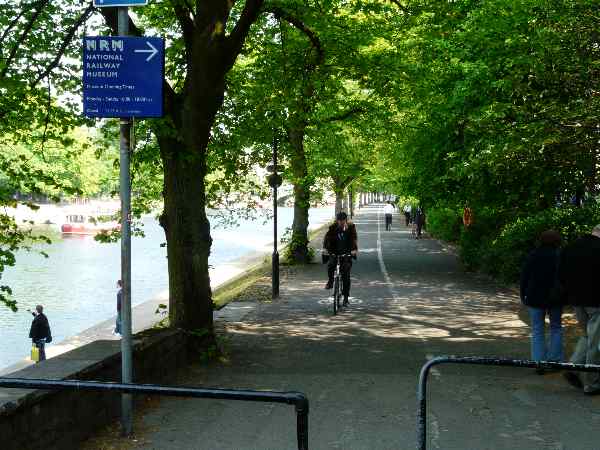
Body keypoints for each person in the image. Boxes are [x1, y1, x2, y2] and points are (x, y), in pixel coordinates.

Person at [559, 225, 600, 395]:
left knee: (587, 335)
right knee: (596, 343)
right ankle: (592, 383)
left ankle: (573, 367)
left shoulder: (570, 248)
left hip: (576, 300)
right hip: (597, 302)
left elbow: (561, 274)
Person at [520, 230, 563, 372]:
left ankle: (539, 362)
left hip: (534, 297)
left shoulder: (533, 255)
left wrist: (523, 294)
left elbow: (524, 276)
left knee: (537, 329)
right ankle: (555, 361)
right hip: (555, 298)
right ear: (557, 241)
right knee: (556, 327)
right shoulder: (559, 255)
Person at [323, 211, 358, 304]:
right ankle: (330, 281)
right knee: (330, 265)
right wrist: (325, 249)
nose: (341, 222)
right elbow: (327, 239)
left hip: (346, 253)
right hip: (334, 252)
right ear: (337, 220)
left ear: (346, 220)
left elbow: (354, 239)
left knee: (346, 275)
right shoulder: (333, 228)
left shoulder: (351, 228)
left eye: (343, 220)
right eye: (339, 220)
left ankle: (346, 297)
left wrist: (354, 250)